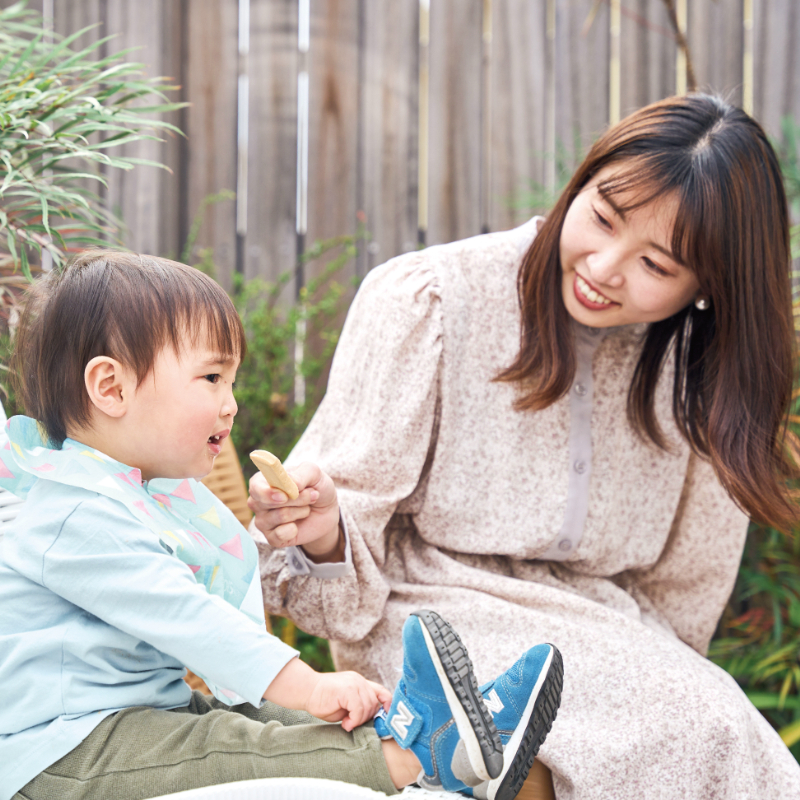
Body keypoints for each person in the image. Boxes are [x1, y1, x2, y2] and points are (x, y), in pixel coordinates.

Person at [249, 93, 800, 799]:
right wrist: (324, 533)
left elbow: (683, 600)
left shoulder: (706, 375)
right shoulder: (433, 300)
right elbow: (333, 555)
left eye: (655, 266)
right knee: (678, 728)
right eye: (601, 217)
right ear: (580, 182)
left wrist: (655, 677)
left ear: (706, 287)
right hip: (429, 622)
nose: (604, 266)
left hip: (613, 640)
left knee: (721, 730)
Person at [0, 251, 563, 800]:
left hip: (133, 718)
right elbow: (192, 620)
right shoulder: (75, 511)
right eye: (213, 377)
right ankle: (414, 757)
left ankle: (443, 741)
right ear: (112, 388)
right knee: (230, 739)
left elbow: (199, 590)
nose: (232, 405)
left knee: (262, 714)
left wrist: (291, 534)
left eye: (232, 381)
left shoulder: (135, 496)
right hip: (63, 753)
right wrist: (313, 685)